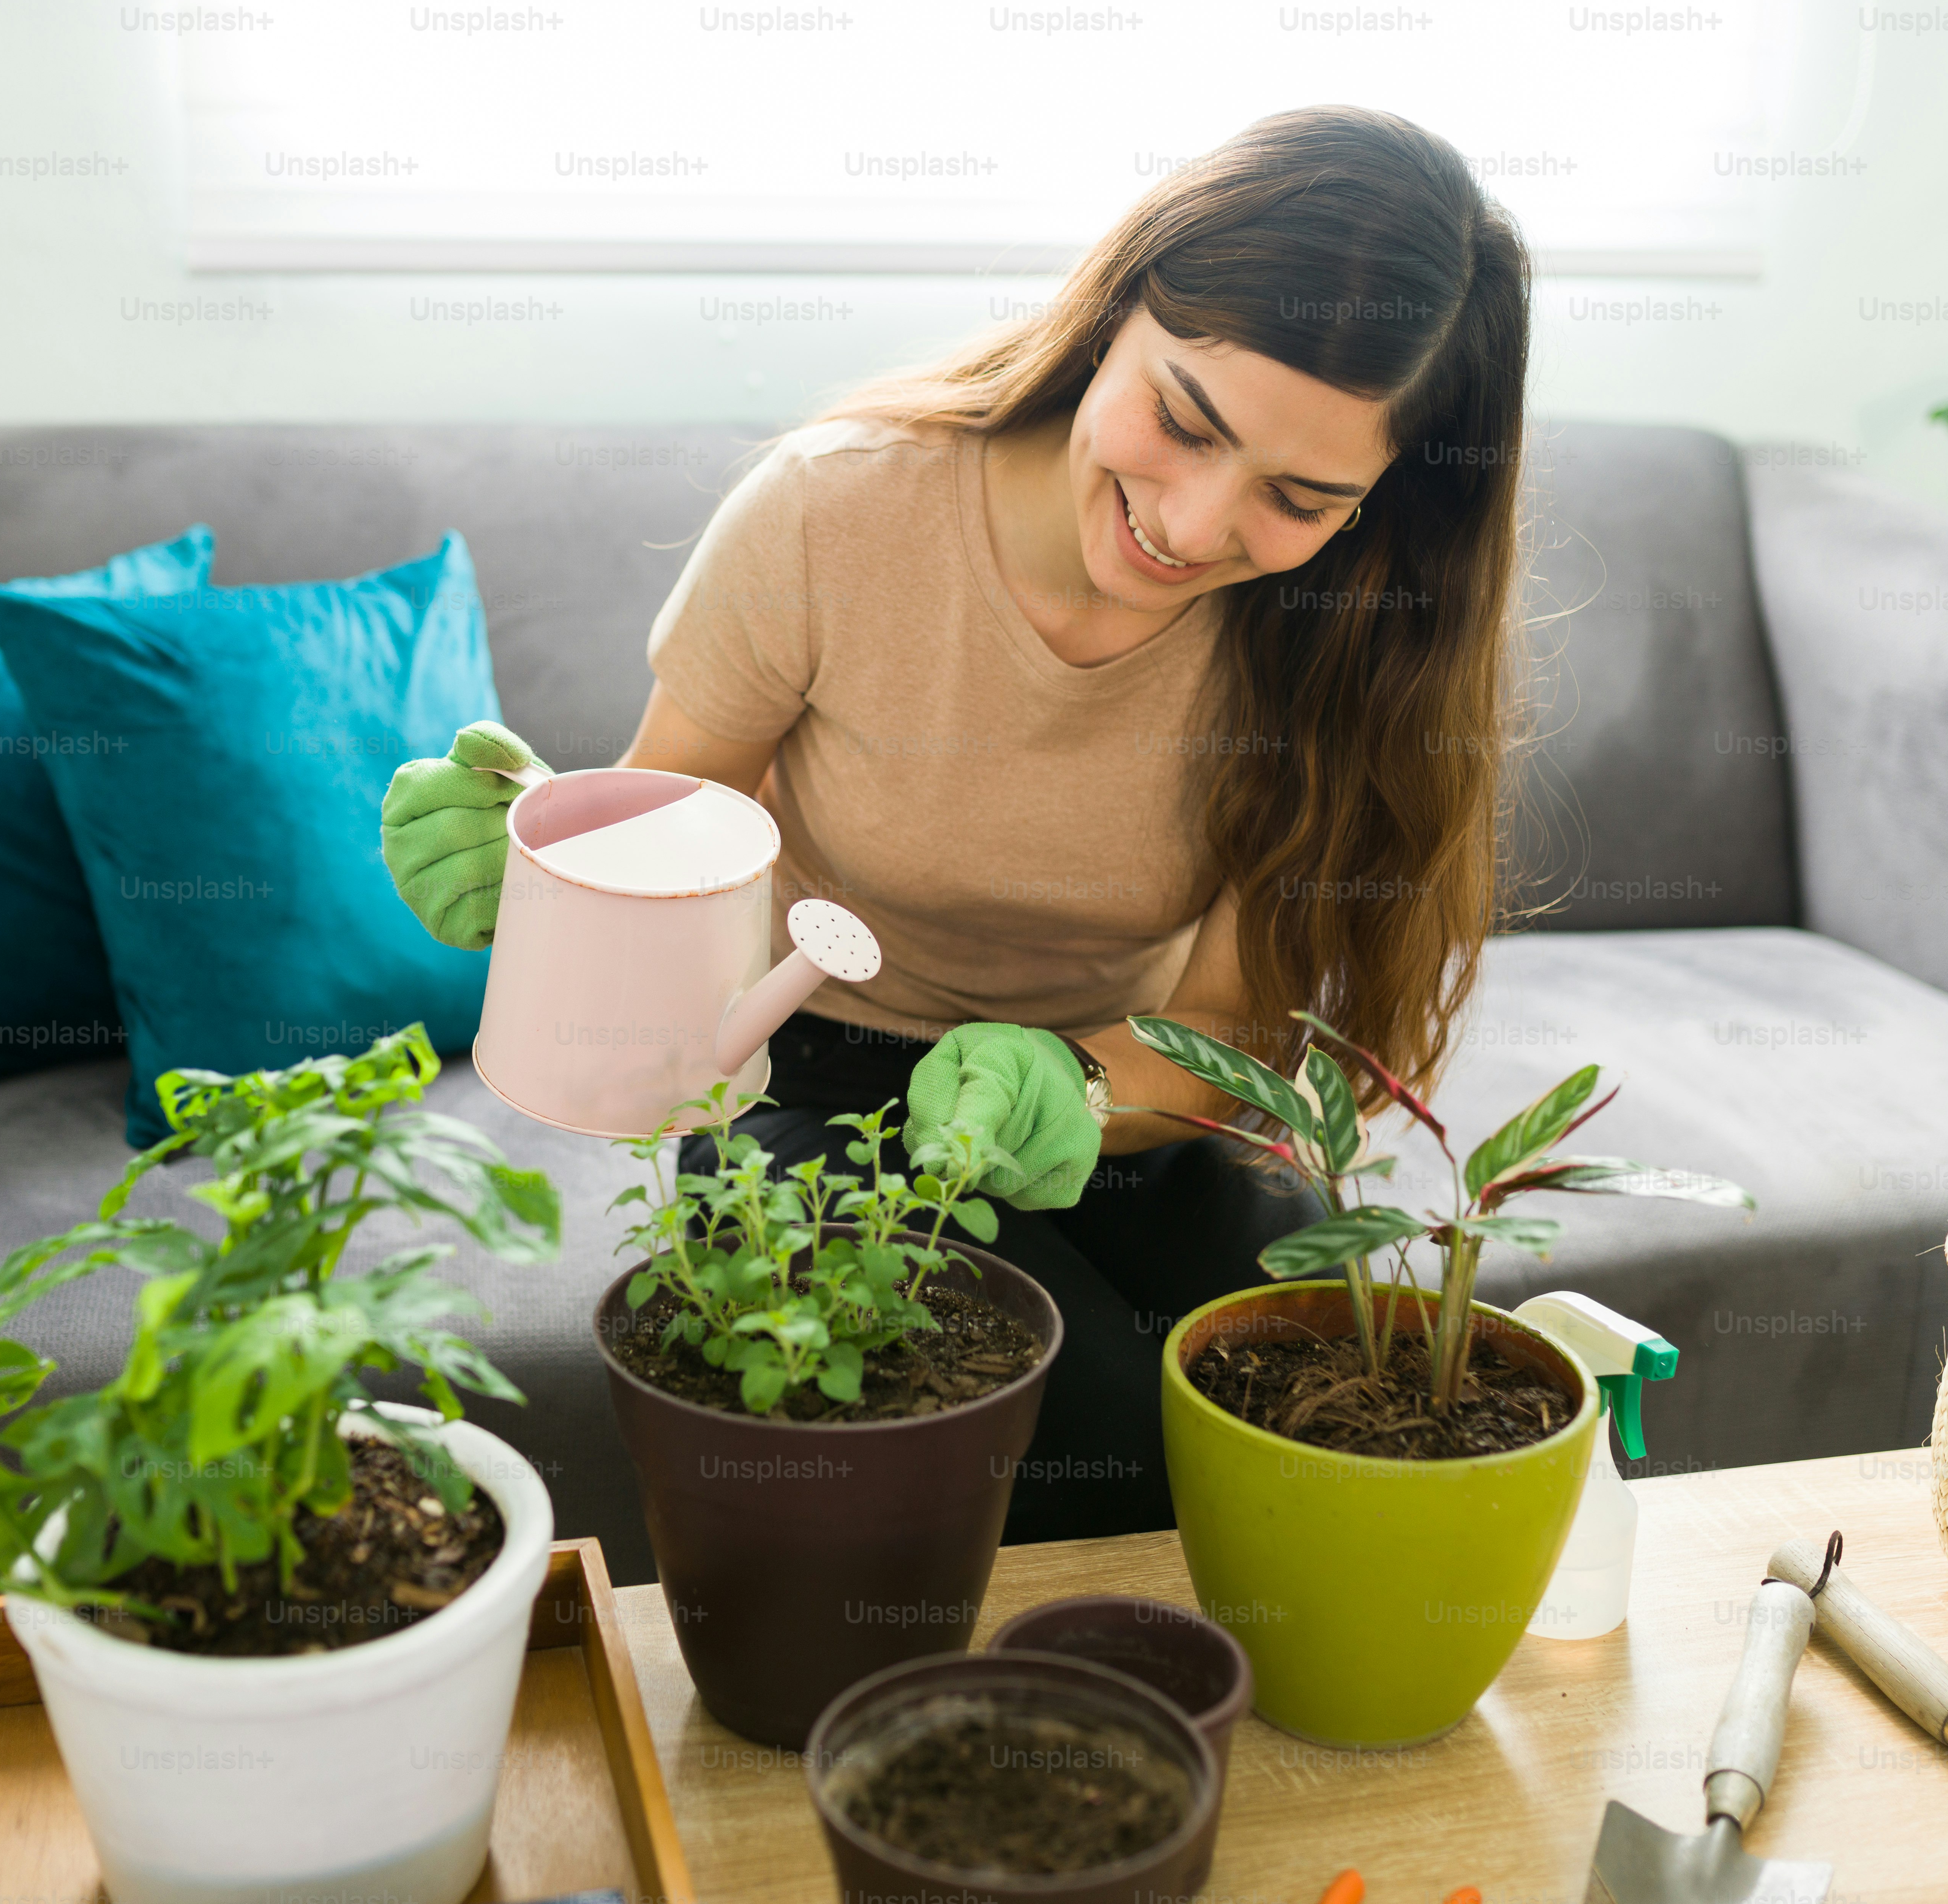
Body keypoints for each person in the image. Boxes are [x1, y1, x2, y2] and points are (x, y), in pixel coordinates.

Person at [383, 104, 1531, 1543]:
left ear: (1377, 509)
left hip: (1119, 1101)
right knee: (1083, 1436)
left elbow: (1232, 1035)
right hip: (811, 1083)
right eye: (1181, 420)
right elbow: (682, 820)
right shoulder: (836, 513)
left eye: (1299, 498)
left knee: (1350, 1427)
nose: (1189, 525)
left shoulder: (1349, 637)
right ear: (1114, 314)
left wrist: (1067, 1092)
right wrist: (548, 873)